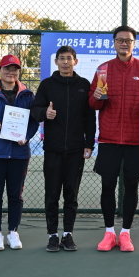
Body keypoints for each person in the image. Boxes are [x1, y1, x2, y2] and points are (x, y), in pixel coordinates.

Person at [89, 26, 139, 252]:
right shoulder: (103, 69)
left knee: (132, 185)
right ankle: (109, 233)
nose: (124, 43)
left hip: (135, 138)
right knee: (107, 185)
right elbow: (93, 103)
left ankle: (126, 234)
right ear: (113, 43)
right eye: (120, 40)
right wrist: (97, 97)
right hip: (109, 138)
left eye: (128, 40)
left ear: (134, 44)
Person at [30, 45, 96, 252]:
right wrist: (45, 114)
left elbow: (89, 117)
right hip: (53, 149)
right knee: (52, 194)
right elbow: (35, 110)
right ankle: (52, 235)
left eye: (69, 58)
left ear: (75, 61)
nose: (65, 62)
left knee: (71, 194)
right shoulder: (47, 85)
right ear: (56, 61)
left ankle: (68, 234)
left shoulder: (84, 85)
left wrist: (89, 143)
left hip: (76, 150)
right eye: (62, 58)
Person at [0, 54, 39, 252]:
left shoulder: (27, 94)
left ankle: (13, 231)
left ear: (19, 72)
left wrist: (26, 136)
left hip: (19, 153)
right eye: (7, 69)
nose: (11, 72)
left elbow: (34, 121)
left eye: (15, 69)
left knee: (16, 195)